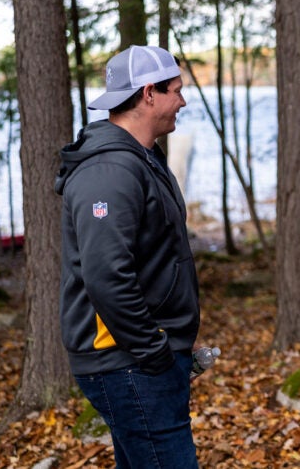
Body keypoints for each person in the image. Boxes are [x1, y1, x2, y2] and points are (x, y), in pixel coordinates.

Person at [56, 45, 199, 469]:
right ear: (149, 93)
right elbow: (106, 275)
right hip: (127, 361)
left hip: (139, 359)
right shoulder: (110, 170)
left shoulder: (142, 157)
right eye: (175, 90)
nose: (183, 101)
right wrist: (154, 352)